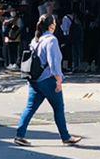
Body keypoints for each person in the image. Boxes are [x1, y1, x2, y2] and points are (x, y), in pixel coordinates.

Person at [15, 14, 81, 146]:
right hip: (47, 79)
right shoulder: (51, 40)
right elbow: (54, 63)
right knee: (58, 108)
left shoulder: (35, 40)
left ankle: (19, 135)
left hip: (34, 80)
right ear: (52, 26)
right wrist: (59, 80)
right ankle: (65, 136)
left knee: (30, 108)